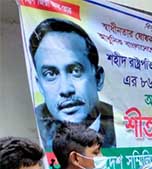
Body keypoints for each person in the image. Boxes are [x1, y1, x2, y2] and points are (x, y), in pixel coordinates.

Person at [28, 18, 115, 150]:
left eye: (76, 71)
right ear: (40, 85)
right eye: (50, 74)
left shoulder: (121, 122)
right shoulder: (34, 129)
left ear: (98, 78)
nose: (66, 89)